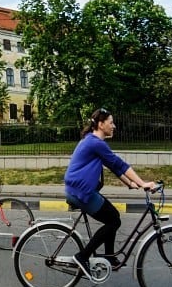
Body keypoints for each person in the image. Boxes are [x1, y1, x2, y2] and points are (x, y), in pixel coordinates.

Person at [65, 108, 156, 274]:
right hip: (80, 192)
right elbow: (119, 163)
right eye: (111, 122)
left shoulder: (92, 141)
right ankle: (83, 256)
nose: (114, 126)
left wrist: (130, 183)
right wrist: (143, 183)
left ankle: (109, 256)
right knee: (113, 220)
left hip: (80, 189)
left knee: (113, 217)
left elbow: (113, 167)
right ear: (101, 124)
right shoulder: (95, 142)